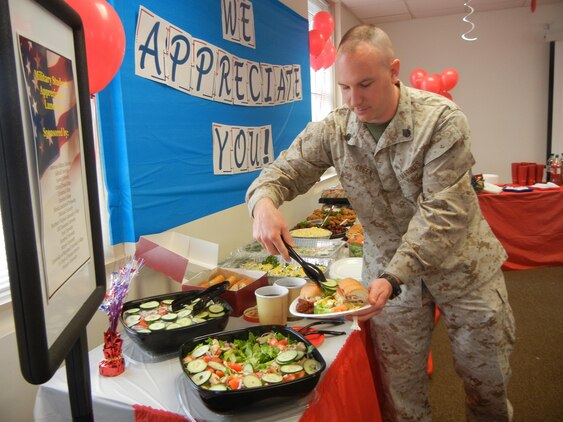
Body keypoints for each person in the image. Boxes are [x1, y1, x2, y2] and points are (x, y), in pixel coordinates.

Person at [246, 24, 516, 421]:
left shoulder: (441, 120)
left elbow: (443, 213)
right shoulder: (335, 128)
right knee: (400, 393)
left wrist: (393, 277)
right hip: (386, 283)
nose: (354, 100)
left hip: (462, 268)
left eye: (365, 84)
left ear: (394, 71)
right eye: (345, 87)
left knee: (486, 385)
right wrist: (263, 204)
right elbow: (281, 172)